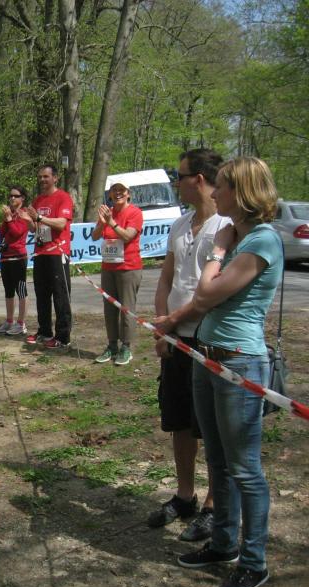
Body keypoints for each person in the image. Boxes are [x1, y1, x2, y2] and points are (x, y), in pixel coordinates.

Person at [155, 157, 282, 587]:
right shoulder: (238, 236)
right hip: (205, 357)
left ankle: (254, 562)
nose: (216, 191)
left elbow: (206, 292)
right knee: (219, 461)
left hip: (238, 364)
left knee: (246, 469)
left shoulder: (261, 240)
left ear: (242, 192)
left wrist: (218, 249)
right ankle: (224, 544)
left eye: (223, 185)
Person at [149, 149, 229, 541]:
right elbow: (167, 278)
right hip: (176, 336)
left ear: (198, 179)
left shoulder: (227, 226)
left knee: (210, 426)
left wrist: (173, 320)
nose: (175, 183)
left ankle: (214, 505)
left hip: (209, 339)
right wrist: (163, 325)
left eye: (178, 177)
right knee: (179, 418)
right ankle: (185, 496)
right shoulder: (180, 224)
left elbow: (215, 292)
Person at [91, 177, 143, 365]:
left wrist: (111, 222)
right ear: (110, 194)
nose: (118, 193)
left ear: (128, 193)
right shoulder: (108, 212)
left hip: (128, 267)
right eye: (114, 190)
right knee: (109, 309)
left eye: (121, 190)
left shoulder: (135, 212)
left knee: (126, 308)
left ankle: (126, 347)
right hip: (108, 267)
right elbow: (95, 236)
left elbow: (128, 236)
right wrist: (102, 223)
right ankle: (112, 345)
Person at [25, 164, 74, 349]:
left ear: (55, 178)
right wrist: (28, 221)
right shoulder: (38, 200)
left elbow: (61, 224)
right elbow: (35, 228)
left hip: (57, 252)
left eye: (46, 176)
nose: (42, 180)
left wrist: (39, 218)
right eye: (40, 177)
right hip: (40, 252)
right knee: (42, 295)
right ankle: (45, 331)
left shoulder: (63, 197)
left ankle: (63, 337)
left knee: (60, 296)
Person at [0, 185, 34, 336]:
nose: (12, 198)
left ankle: (21, 323)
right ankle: (9, 320)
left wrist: (10, 220)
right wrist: (7, 219)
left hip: (18, 257)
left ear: (22, 198)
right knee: (8, 290)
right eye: (10, 195)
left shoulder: (24, 214)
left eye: (15, 196)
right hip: (5, 256)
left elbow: (18, 233)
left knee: (21, 290)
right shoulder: (9, 214)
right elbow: (2, 233)